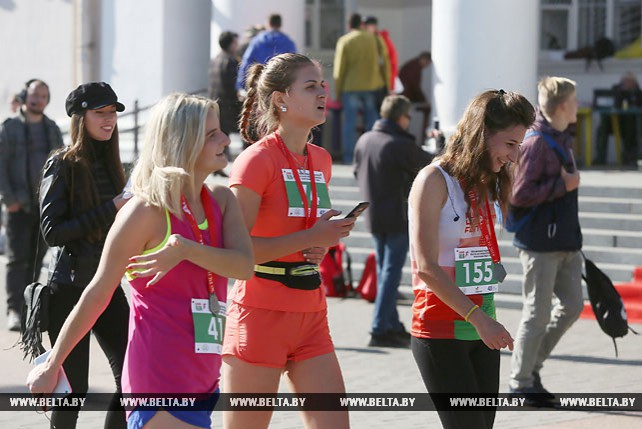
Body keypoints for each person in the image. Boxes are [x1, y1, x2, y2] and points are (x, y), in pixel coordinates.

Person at [27, 93, 254, 429]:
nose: (224, 140)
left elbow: (244, 266)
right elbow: (98, 292)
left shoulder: (221, 200)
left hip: (204, 377)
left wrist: (188, 250)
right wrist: (52, 364)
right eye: (211, 134)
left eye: (220, 131)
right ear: (182, 142)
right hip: (158, 377)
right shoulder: (144, 212)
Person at [225, 52, 356, 429]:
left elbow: (300, 230)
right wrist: (311, 236)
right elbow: (237, 251)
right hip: (260, 309)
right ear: (281, 99)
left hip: (311, 310)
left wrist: (320, 243)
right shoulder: (255, 161)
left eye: (323, 85)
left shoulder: (322, 159)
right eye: (310, 86)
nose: (322, 93)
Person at [409, 89, 535, 429]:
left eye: (518, 146)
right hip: (442, 329)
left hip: (482, 327)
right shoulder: (433, 180)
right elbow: (426, 267)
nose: (513, 155)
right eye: (509, 144)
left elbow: (500, 234)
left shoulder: (481, 182)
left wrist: (483, 320)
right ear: (482, 134)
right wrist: (479, 319)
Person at [33, 82, 130, 428]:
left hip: (108, 286)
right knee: (73, 390)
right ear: (80, 117)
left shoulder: (114, 163)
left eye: (112, 113)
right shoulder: (62, 164)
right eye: (100, 113)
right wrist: (113, 207)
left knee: (132, 382)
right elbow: (52, 232)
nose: (109, 121)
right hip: (70, 289)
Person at [508, 77, 583, 405]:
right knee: (536, 314)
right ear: (564, 105)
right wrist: (562, 187)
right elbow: (519, 193)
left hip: (566, 240)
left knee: (572, 306)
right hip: (540, 244)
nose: (579, 106)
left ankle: (531, 367)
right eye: (576, 100)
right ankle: (520, 382)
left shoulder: (563, 137)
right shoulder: (537, 142)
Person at [353, 95, 431, 348]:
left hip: (374, 214)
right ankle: (379, 328)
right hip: (396, 215)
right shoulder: (398, 143)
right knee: (390, 273)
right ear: (402, 117)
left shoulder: (365, 140)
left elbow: (356, 172)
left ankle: (391, 324)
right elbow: (429, 164)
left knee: (384, 271)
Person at [0, 79, 64, 331]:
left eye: (43, 95)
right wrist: (9, 199)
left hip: (45, 207)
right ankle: (14, 309)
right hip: (17, 206)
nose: (38, 99)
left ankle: (28, 307)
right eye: (34, 94)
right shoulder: (10, 128)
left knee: (38, 258)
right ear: (25, 95)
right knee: (18, 260)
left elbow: (61, 165)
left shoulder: (52, 128)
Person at [333, 13, 389, 165]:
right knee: (372, 123)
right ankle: (371, 155)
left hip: (351, 87)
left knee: (349, 124)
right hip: (373, 85)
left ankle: (348, 158)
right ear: (362, 24)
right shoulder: (376, 39)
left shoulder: (345, 41)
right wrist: (387, 85)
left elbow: (339, 70)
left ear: (349, 25)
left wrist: (338, 92)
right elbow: (386, 62)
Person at [236, 14, 297, 91]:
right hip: (281, 85)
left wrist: (241, 85)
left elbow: (247, 61)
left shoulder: (257, 41)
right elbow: (295, 65)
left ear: (268, 24)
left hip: (260, 83)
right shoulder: (288, 42)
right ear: (280, 24)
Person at [595, 71, 642, 167]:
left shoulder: (638, 93)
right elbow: (611, 102)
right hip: (614, 122)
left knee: (631, 128)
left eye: (630, 82)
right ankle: (600, 158)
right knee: (602, 128)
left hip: (631, 124)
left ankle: (629, 158)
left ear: (634, 83)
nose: (627, 84)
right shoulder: (616, 90)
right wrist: (621, 92)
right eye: (625, 81)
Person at [209, 31, 242, 137]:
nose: (237, 47)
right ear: (231, 44)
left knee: (220, 137)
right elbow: (232, 87)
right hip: (228, 106)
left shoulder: (215, 59)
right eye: (236, 43)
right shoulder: (230, 61)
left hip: (216, 104)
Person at [363, 16, 393, 110]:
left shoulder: (378, 39)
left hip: (377, 82)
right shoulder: (375, 38)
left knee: (376, 110)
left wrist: (388, 83)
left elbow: (385, 61)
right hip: (371, 81)